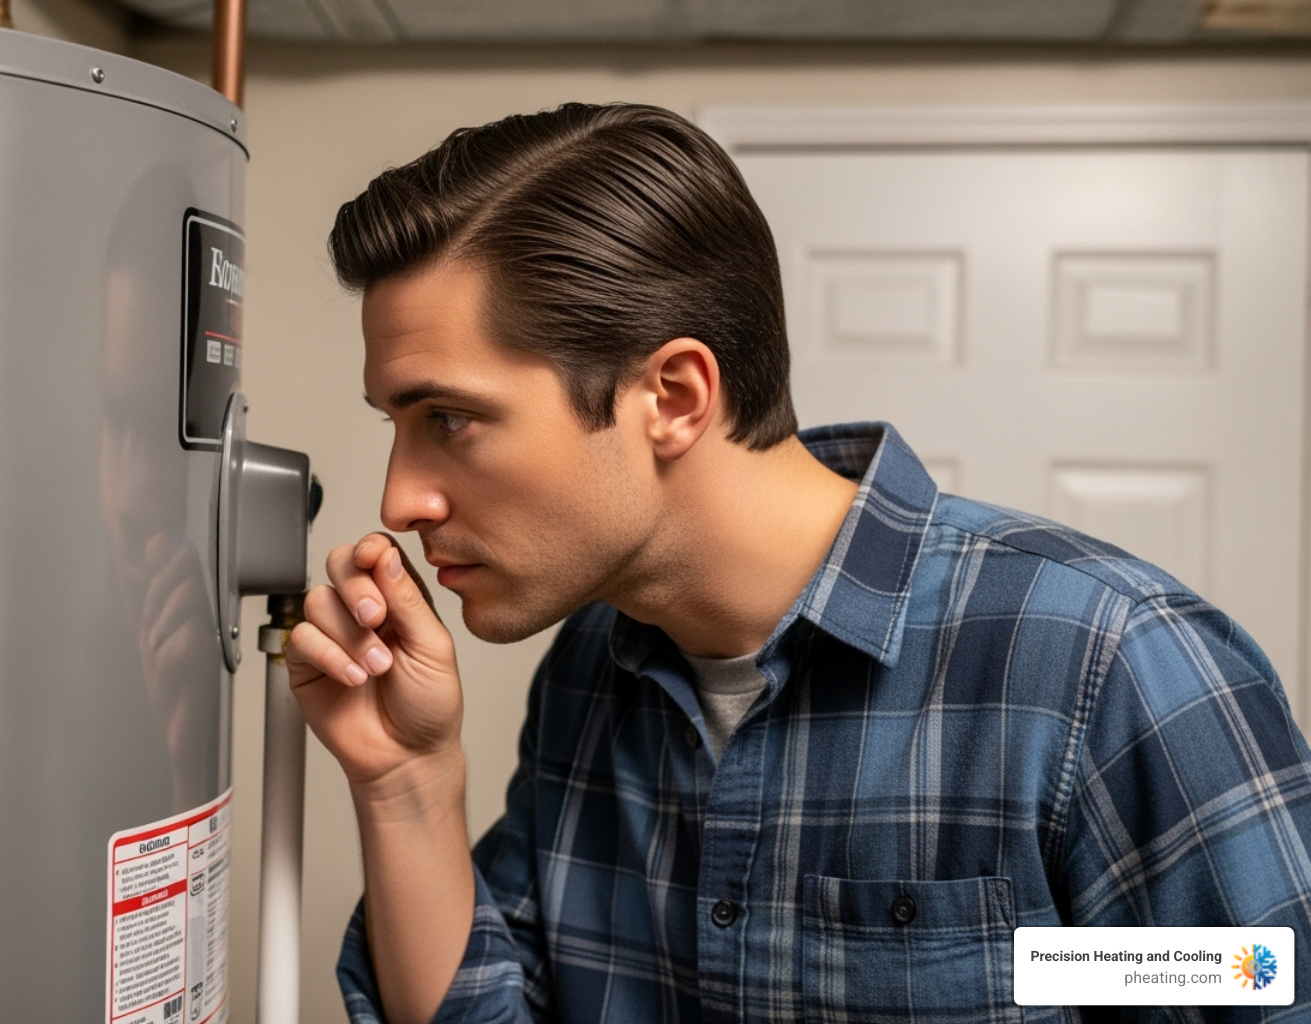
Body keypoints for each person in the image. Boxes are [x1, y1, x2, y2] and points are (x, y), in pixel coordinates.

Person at [284, 102, 1311, 1024]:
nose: (399, 500)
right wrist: (407, 781)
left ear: (673, 398)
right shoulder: (594, 668)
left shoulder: (1110, 664)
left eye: (448, 418)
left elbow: (1247, 982)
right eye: (395, 425)